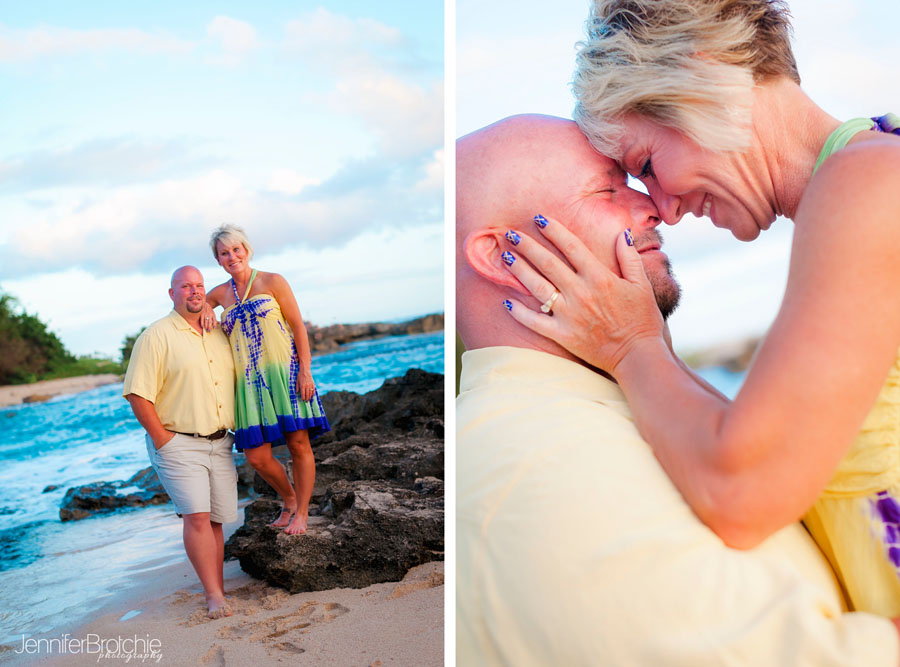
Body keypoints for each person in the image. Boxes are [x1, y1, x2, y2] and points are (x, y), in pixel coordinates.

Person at [502, 0, 900, 617]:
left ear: (700, 76)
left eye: (647, 166)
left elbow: (743, 492)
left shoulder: (868, 186)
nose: (660, 207)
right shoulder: (868, 172)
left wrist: (631, 348)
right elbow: (764, 444)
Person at [457, 114, 900, 665]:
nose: (654, 205)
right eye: (609, 188)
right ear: (499, 254)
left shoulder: (617, 407)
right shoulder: (542, 466)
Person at [123, 266, 237, 619]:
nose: (194, 291)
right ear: (171, 293)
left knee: (217, 519)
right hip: (178, 443)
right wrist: (164, 440)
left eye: (199, 285)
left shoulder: (216, 331)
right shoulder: (156, 336)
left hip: (221, 442)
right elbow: (137, 394)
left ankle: (216, 585)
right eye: (185, 286)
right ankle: (214, 594)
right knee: (198, 517)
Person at [206, 224, 329, 535]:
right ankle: (288, 498)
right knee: (257, 457)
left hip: (285, 372)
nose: (232, 256)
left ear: (247, 250)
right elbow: (192, 312)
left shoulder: (273, 281)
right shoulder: (219, 294)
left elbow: (297, 327)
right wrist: (207, 312)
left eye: (236, 249)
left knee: (299, 444)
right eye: (224, 253)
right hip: (248, 384)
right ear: (218, 260)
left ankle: (301, 513)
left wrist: (305, 370)